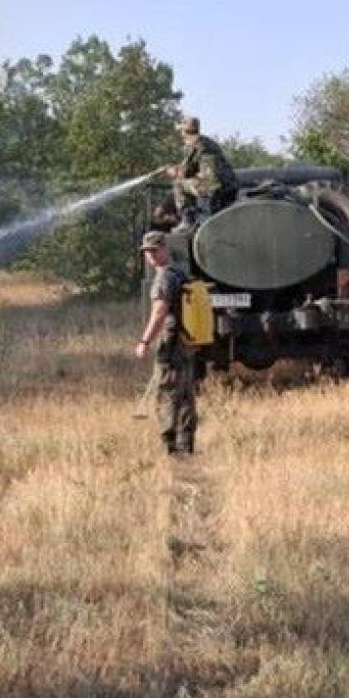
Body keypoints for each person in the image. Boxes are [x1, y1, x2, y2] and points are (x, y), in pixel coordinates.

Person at [133, 231, 197, 456]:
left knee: (167, 393)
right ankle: (186, 444)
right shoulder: (181, 273)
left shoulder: (164, 278)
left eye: (153, 251)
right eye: (147, 252)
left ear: (163, 249)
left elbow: (159, 312)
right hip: (186, 341)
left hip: (171, 343)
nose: (149, 256)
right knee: (186, 393)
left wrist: (144, 341)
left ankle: (170, 447)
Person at [165, 116, 238, 224]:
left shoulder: (197, 145)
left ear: (185, 131)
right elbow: (191, 167)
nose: (181, 134)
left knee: (178, 184)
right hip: (229, 187)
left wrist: (174, 172)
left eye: (181, 131)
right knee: (187, 182)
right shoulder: (206, 142)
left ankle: (187, 221)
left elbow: (186, 173)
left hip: (213, 188)